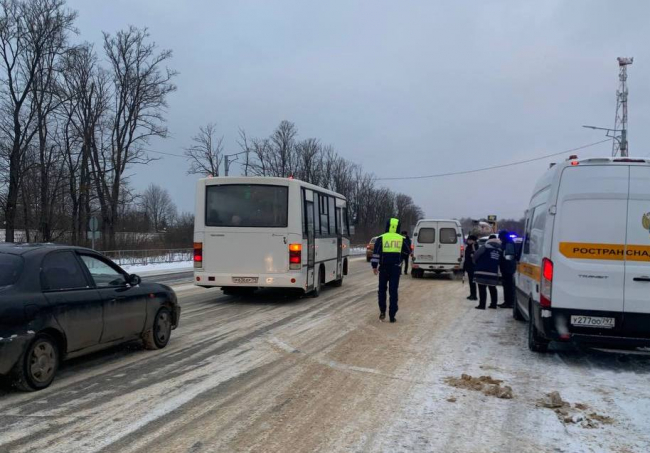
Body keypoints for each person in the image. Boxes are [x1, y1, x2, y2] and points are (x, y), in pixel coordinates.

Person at [371, 218, 411, 323]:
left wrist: (374, 266)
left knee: (382, 290)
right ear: (398, 227)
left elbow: (376, 253)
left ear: (387, 226)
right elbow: (408, 251)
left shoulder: (381, 238)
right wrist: (400, 256)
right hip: (395, 268)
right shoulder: (401, 238)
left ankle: (382, 311)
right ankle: (392, 316)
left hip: (383, 268)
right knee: (393, 292)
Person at [473, 234, 502, 309]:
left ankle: (482, 305)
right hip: (493, 271)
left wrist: (476, 263)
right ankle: (493, 304)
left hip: (481, 270)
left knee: (482, 288)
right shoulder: (500, 249)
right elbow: (500, 261)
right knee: (493, 288)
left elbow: (476, 255)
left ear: (488, 240)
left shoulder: (485, 246)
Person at [497, 230, 517, 309]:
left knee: (508, 285)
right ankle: (507, 302)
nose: (499, 238)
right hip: (506, 267)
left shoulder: (508, 243)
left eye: (500, 237)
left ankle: (509, 302)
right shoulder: (507, 242)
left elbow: (509, 256)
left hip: (508, 267)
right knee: (506, 285)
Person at [463, 235, 479, 301]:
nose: (468, 241)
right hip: (468, 266)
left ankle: (474, 295)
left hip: (473, 267)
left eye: (470, 240)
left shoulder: (474, 247)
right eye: (468, 240)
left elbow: (474, 256)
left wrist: (473, 253)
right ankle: (472, 294)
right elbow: (466, 257)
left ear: (473, 241)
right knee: (470, 281)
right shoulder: (468, 247)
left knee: (473, 281)